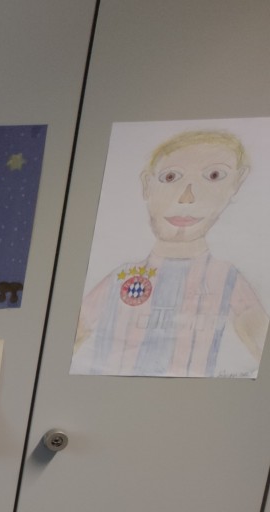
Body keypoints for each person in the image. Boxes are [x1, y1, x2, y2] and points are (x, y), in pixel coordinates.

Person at [73, 128, 267, 377]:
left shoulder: (226, 279)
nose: (187, 197)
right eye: (171, 177)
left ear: (236, 184)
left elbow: (259, 339)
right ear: (147, 185)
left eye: (214, 175)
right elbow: (69, 339)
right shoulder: (121, 278)